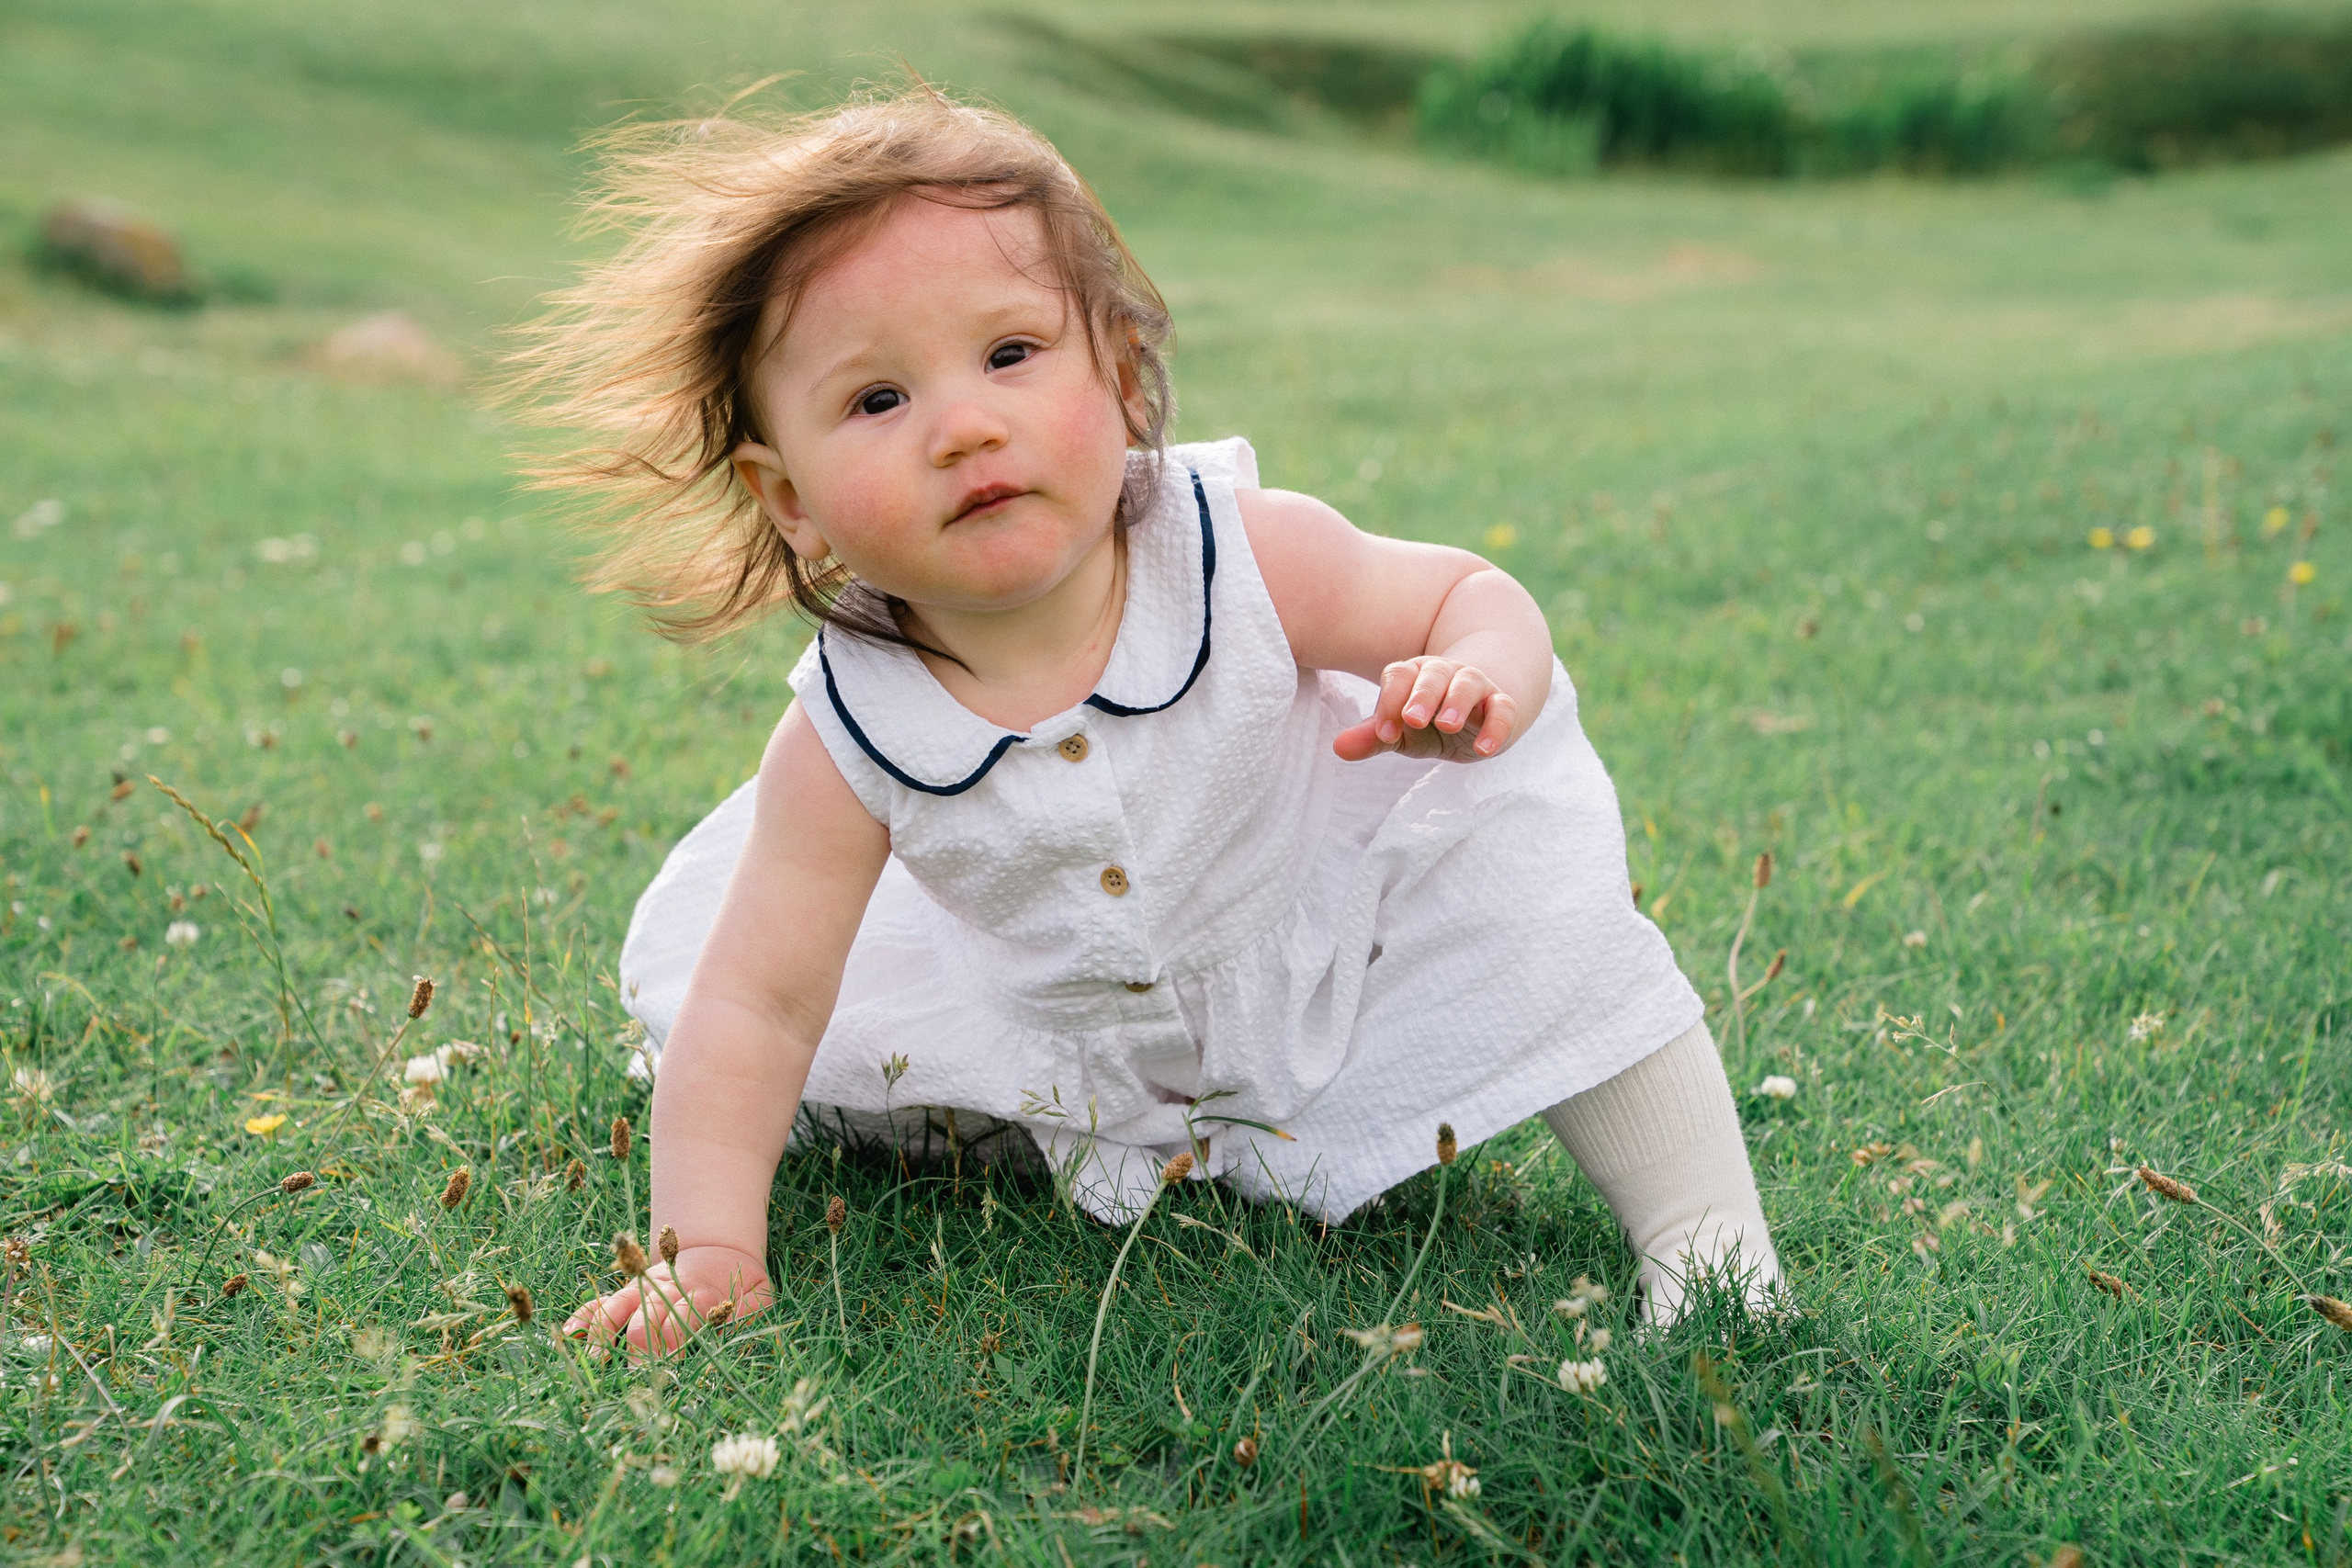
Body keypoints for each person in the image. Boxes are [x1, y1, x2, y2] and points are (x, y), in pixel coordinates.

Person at [513, 86, 1782, 1353]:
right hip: (1065, 1027)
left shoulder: (1235, 553)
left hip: (1325, 946)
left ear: (1120, 376)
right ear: (789, 498)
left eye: (1011, 354)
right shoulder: (850, 729)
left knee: (1532, 897)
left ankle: (1707, 1236)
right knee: (850, 1082)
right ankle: (1094, 1139)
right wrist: (711, 1251)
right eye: (877, 401)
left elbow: (1463, 592)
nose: (965, 426)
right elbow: (760, 1004)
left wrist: (1473, 673)